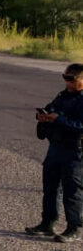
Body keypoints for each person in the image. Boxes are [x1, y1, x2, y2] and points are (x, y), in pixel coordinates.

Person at [27, 63, 83, 242]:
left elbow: (80, 126)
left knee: (72, 191)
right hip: (56, 148)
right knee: (50, 188)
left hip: (74, 152)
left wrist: (60, 120)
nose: (67, 82)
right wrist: (43, 116)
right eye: (65, 78)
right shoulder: (62, 96)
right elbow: (50, 108)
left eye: (71, 79)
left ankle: (73, 228)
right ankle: (47, 224)